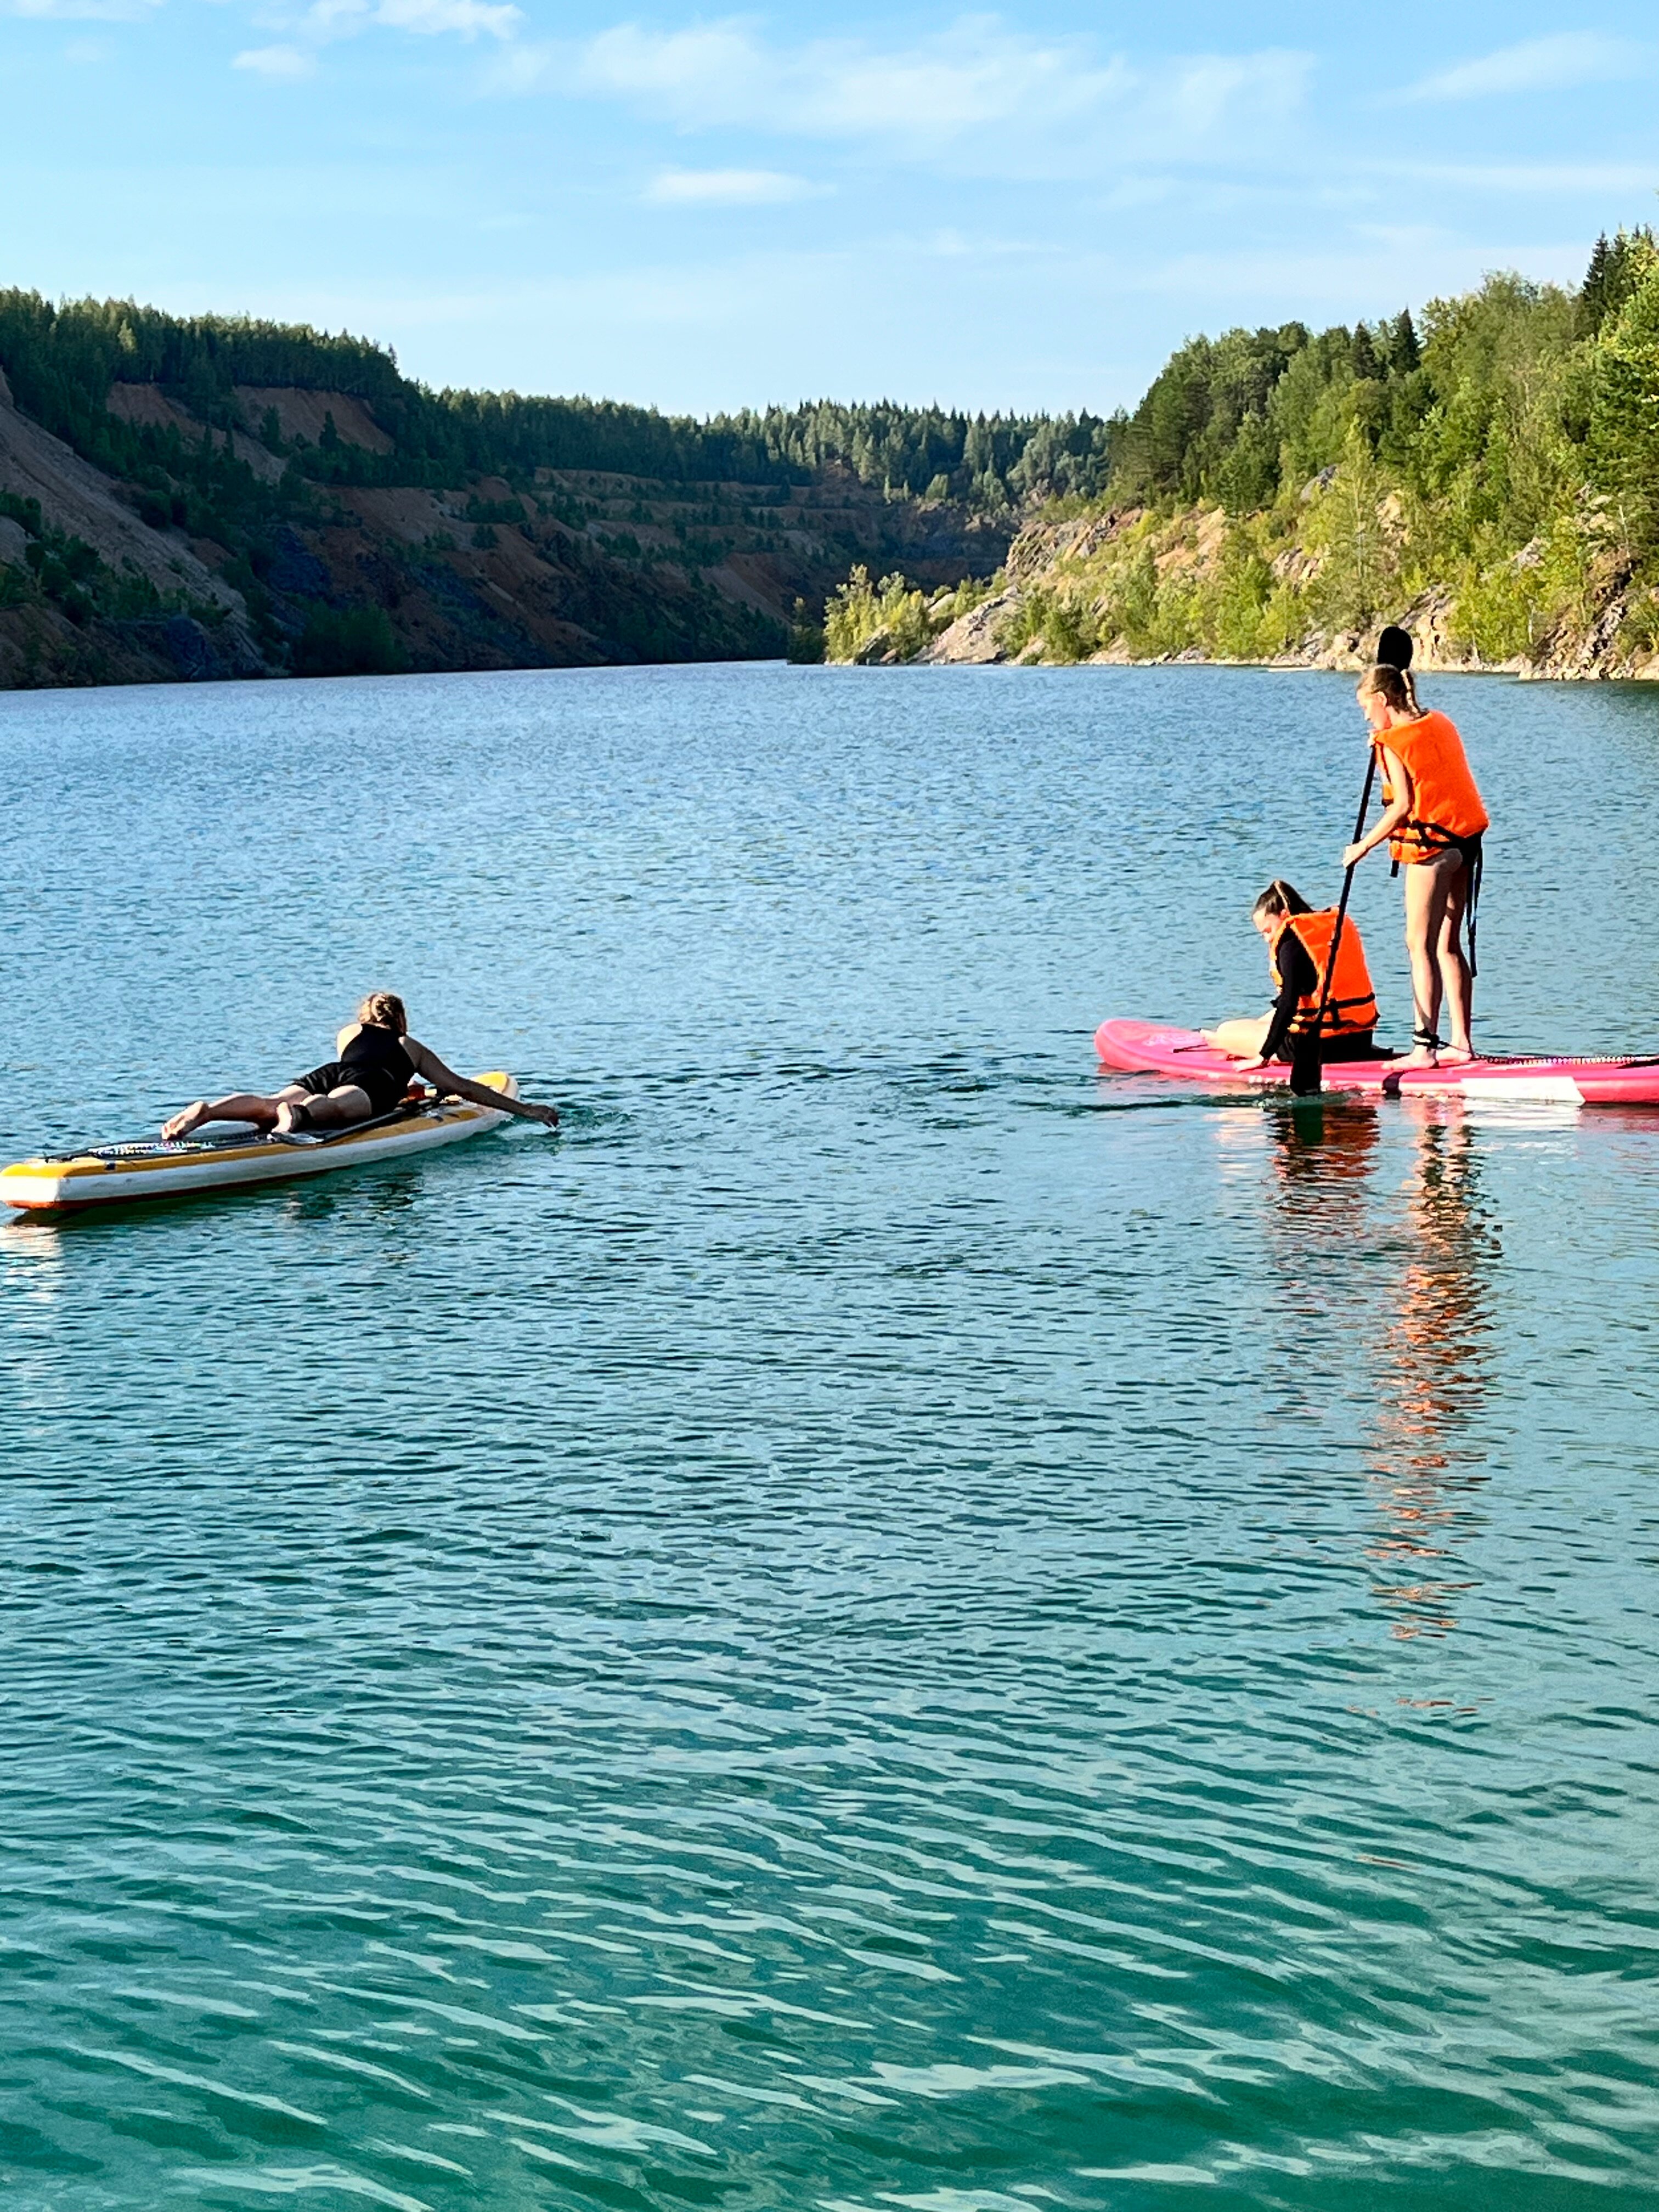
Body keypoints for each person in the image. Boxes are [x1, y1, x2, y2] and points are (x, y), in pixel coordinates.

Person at [1342, 662, 1488, 1068]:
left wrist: (1362, 847)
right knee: (1448, 943)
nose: (1365, 716)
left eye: (1366, 708)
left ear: (1382, 700)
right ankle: (1461, 1044)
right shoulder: (1438, 721)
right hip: (1466, 843)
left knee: (1418, 945)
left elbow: (1403, 806)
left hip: (1432, 850)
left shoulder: (1391, 743)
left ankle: (1424, 1049)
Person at [160, 992, 559, 1141]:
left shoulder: (348, 1033)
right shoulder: (410, 1046)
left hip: (329, 1071)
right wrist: (527, 1110)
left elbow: (357, 1061)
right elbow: (463, 1088)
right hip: (371, 1085)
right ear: (400, 1019)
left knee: (268, 1102)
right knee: (330, 1110)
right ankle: (295, 1117)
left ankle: (208, 1111)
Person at [1205, 879, 1379, 1070]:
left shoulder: (1290, 944)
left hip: (1317, 1047)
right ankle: (1250, 1034)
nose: (1267, 939)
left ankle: (1223, 1041)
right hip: (1359, 1040)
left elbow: (1288, 1005)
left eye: (1268, 931)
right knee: (1268, 1018)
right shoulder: (1329, 929)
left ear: (1284, 915)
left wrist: (1263, 1056)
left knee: (1225, 1031)